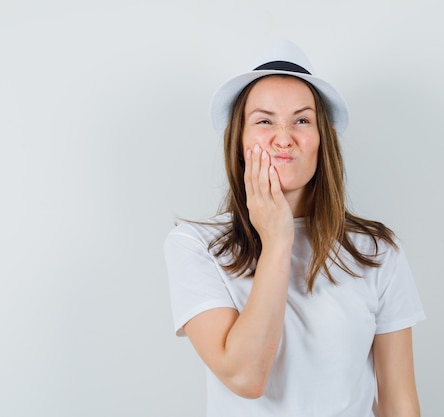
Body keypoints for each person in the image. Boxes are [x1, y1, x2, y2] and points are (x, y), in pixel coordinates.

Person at [164, 40, 426, 417]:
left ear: (322, 140)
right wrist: (277, 239)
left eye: (302, 120)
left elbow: (399, 402)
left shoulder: (377, 251)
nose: (283, 137)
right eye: (264, 121)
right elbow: (245, 377)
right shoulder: (195, 246)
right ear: (239, 140)